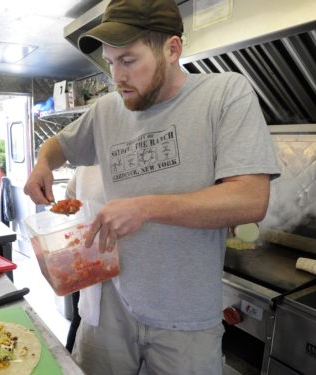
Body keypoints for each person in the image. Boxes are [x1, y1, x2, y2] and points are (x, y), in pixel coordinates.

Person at [23, 0, 281, 373]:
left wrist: (145, 207)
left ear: (172, 49)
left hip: (186, 318)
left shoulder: (225, 94)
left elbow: (251, 198)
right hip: (110, 306)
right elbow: (58, 145)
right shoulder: (107, 110)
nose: (117, 77)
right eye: (111, 63)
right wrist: (42, 164)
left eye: (128, 61)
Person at [63, 165, 105, 353]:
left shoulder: (86, 168)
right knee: (81, 317)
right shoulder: (87, 168)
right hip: (89, 259)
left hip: (88, 257)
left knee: (80, 317)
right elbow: (70, 198)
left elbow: (69, 200)